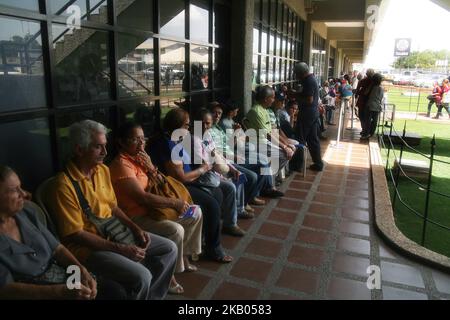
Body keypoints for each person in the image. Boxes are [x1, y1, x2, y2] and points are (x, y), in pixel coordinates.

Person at [47, 120, 178, 300]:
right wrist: (121, 249)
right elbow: (75, 234)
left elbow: (113, 206)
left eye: (105, 146)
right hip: (89, 249)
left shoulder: (102, 170)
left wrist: (135, 228)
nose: (105, 152)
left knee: (169, 248)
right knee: (142, 276)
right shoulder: (63, 186)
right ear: (79, 150)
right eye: (98, 147)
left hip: (115, 232)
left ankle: (152, 296)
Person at [0, 165, 127, 300]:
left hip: (60, 277)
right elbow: (6, 289)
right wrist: (60, 292)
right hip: (36, 293)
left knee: (113, 291)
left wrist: (81, 272)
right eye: (14, 190)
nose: (25, 194)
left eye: (21, 187)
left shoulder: (27, 212)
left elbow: (58, 250)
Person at [109, 122, 204, 295]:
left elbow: (162, 182)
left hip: (157, 211)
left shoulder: (141, 158)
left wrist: (151, 167)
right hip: (138, 217)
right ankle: (170, 275)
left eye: (142, 139)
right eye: (135, 140)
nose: (140, 143)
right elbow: (142, 197)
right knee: (175, 230)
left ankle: (184, 257)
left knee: (195, 211)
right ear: (121, 142)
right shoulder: (121, 165)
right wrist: (174, 203)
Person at [149, 108, 233, 263]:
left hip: (190, 181)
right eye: (186, 125)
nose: (189, 129)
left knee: (218, 192)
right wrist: (202, 170)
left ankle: (203, 237)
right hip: (177, 187)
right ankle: (213, 249)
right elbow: (180, 178)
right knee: (212, 206)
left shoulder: (176, 140)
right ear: (177, 126)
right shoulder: (166, 144)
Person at [209, 102, 280, 203]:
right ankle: (250, 198)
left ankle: (260, 191)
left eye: (219, 113)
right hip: (228, 160)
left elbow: (229, 145)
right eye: (214, 113)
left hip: (235, 155)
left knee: (264, 161)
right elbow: (215, 152)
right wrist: (234, 156)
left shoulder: (218, 128)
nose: (217, 115)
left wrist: (235, 133)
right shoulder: (215, 128)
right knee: (254, 174)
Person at [291, 62, 324, 172]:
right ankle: (318, 163)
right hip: (313, 113)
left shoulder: (308, 81)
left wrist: (295, 95)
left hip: (307, 114)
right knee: (312, 139)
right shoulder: (311, 79)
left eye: (296, 73)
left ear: (300, 73)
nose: (295, 76)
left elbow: (309, 100)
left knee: (299, 138)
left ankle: (297, 165)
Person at [362, 73, 384, 139]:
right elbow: (381, 98)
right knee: (374, 121)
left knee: (367, 121)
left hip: (370, 105)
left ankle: (366, 133)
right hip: (377, 106)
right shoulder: (381, 88)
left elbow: (365, 93)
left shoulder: (372, 87)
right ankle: (371, 133)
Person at [355, 69, 375, 137]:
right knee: (366, 117)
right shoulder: (373, 82)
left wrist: (358, 93)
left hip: (364, 101)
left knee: (362, 116)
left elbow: (358, 90)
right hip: (368, 102)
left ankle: (364, 130)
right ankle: (365, 131)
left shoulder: (365, 81)